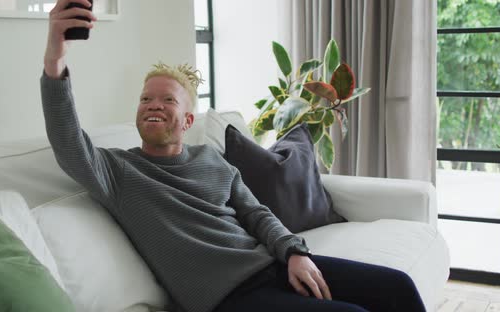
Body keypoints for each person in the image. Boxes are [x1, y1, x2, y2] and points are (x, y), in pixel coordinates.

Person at [40, 1, 427, 311]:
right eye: (145, 99)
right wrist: (55, 57)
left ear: (188, 118)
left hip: (272, 266)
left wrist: (293, 252)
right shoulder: (118, 171)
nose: (152, 106)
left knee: (397, 288)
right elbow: (68, 140)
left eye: (166, 100)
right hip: (227, 298)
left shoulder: (211, 158)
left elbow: (256, 214)